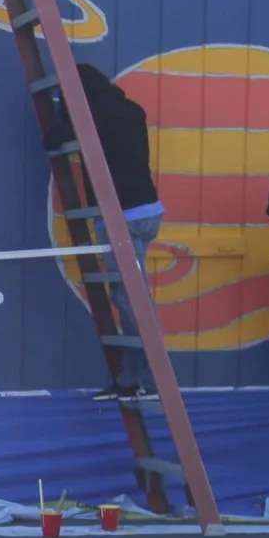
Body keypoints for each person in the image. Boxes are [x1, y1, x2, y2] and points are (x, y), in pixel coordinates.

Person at [44, 64, 167, 401]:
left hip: (118, 216)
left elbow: (52, 141)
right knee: (131, 295)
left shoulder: (91, 115)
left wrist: (61, 111)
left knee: (130, 299)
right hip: (147, 210)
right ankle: (131, 378)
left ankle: (149, 380)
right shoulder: (132, 110)